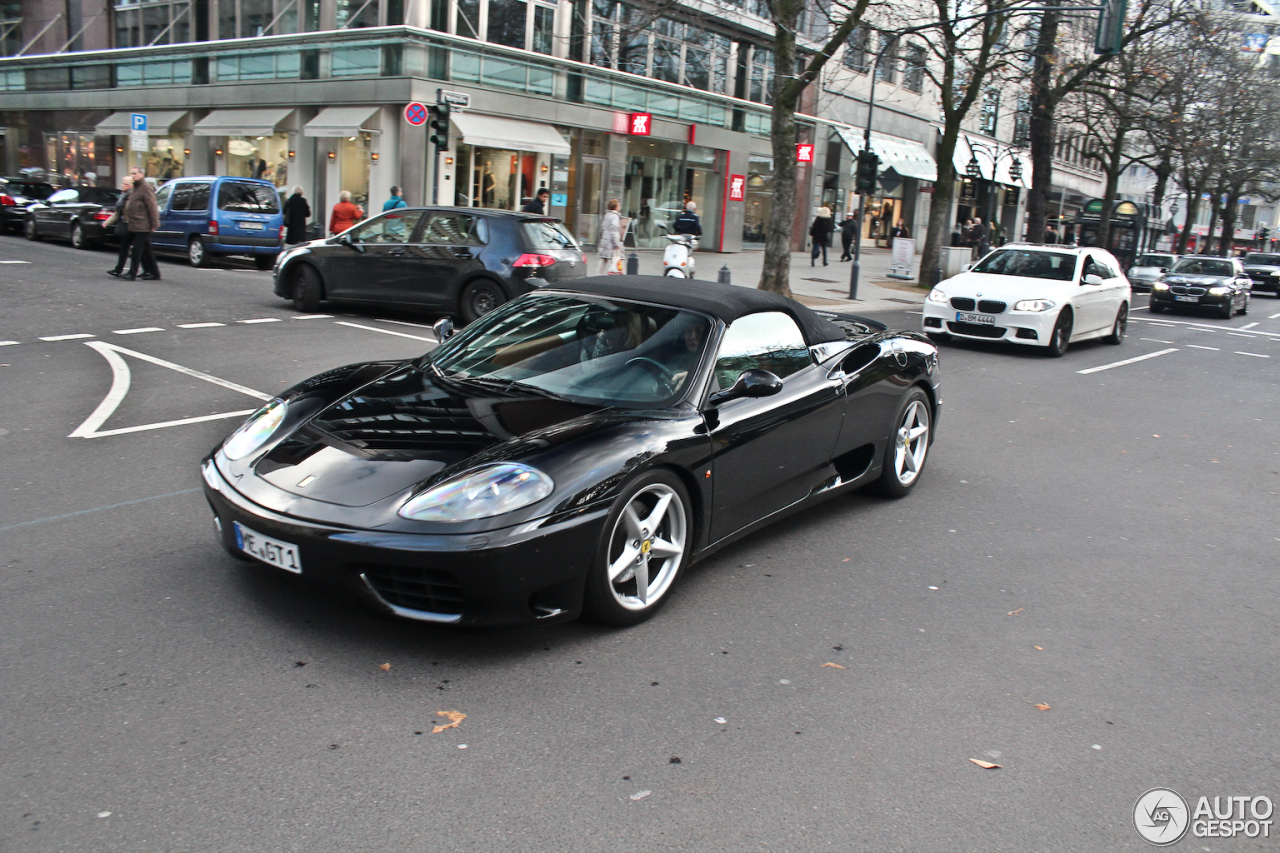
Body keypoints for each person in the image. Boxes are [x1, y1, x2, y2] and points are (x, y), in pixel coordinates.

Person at [122, 168, 161, 281]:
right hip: (135, 223)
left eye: (135, 173)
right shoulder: (135, 187)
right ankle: (153, 272)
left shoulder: (145, 187)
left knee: (137, 249)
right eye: (131, 173)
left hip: (143, 224)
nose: (133, 175)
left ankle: (132, 272)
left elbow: (152, 206)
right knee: (146, 249)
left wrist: (154, 223)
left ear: (142, 174)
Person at [106, 177, 133, 278]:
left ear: (131, 185)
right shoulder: (123, 197)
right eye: (122, 183)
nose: (122, 186)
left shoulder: (133, 196)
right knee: (124, 248)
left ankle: (143, 270)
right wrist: (107, 222)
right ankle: (118, 269)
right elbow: (118, 213)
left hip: (135, 225)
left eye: (125, 184)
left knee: (139, 250)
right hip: (126, 225)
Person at [598, 198, 623, 276]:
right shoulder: (615, 217)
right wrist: (617, 244)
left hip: (605, 240)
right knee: (618, 258)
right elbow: (614, 231)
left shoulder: (607, 216)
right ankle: (617, 274)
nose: (620, 206)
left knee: (604, 259)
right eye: (618, 205)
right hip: (611, 242)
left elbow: (603, 227)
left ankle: (599, 275)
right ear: (615, 207)